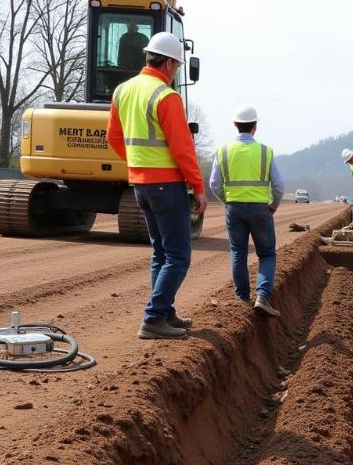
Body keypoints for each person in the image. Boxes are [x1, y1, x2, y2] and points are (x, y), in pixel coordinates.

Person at [107, 31, 208, 339]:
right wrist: (198, 188)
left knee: (161, 254)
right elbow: (182, 149)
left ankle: (165, 312)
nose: (176, 72)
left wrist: (138, 165)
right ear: (166, 63)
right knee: (178, 255)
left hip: (141, 185)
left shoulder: (122, 91)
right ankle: (153, 317)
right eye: (176, 66)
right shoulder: (166, 96)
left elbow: (113, 137)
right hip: (167, 185)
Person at [210, 106, 285, 317]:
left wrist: (227, 200)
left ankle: (242, 298)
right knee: (267, 254)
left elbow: (214, 182)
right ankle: (262, 296)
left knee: (238, 253)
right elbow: (278, 185)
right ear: (255, 126)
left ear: (235, 125)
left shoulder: (223, 151)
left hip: (234, 209)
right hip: (261, 209)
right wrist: (273, 205)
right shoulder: (265, 151)